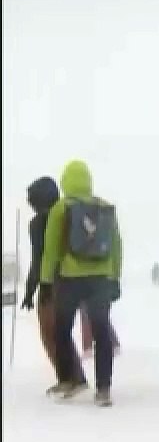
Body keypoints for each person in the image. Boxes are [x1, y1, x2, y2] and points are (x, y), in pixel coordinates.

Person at [38, 161, 124, 407]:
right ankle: (104, 388)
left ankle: (67, 381)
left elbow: (51, 249)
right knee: (101, 332)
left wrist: (45, 282)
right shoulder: (104, 207)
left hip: (70, 278)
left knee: (62, 330)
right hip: (100, 279)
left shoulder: (60, 208)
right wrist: (115, 277)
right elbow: (116, 245)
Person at [22, 176, 91, 383]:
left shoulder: (38, 223)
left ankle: (69, 379)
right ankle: (75, 376)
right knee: (62, 333)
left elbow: (39, 259)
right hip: (76, 280)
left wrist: (30, 290)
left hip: (51, 284)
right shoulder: (68, 214)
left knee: (51, 335)